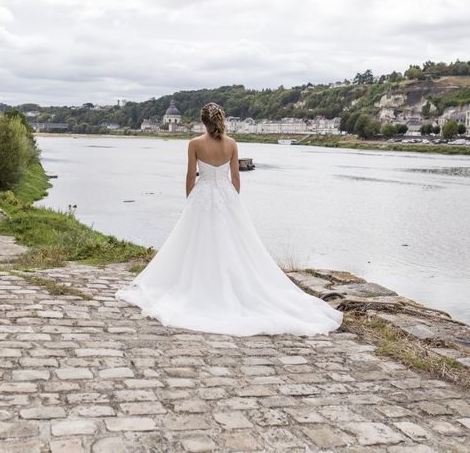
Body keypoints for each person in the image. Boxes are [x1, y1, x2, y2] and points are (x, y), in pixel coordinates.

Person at [116, 103, 342, 336]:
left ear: (203, 121)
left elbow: (189, 174)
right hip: (226, 196)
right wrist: (232, 202)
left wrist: (190, 199)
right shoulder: (232, 144)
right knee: (234, 244)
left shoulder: (194, 144)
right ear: (221, 120)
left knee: (197, 242)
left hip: (202, 196)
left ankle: (201, 284)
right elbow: (235, 177)